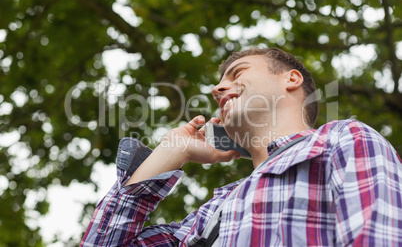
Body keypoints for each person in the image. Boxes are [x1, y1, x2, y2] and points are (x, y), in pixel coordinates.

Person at [80, 48, 402, 246]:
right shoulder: (211, 213)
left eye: (237, 74)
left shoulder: (343, 140)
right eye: (220, 83)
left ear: (291, 80)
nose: (217, 89)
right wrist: (172, 149)